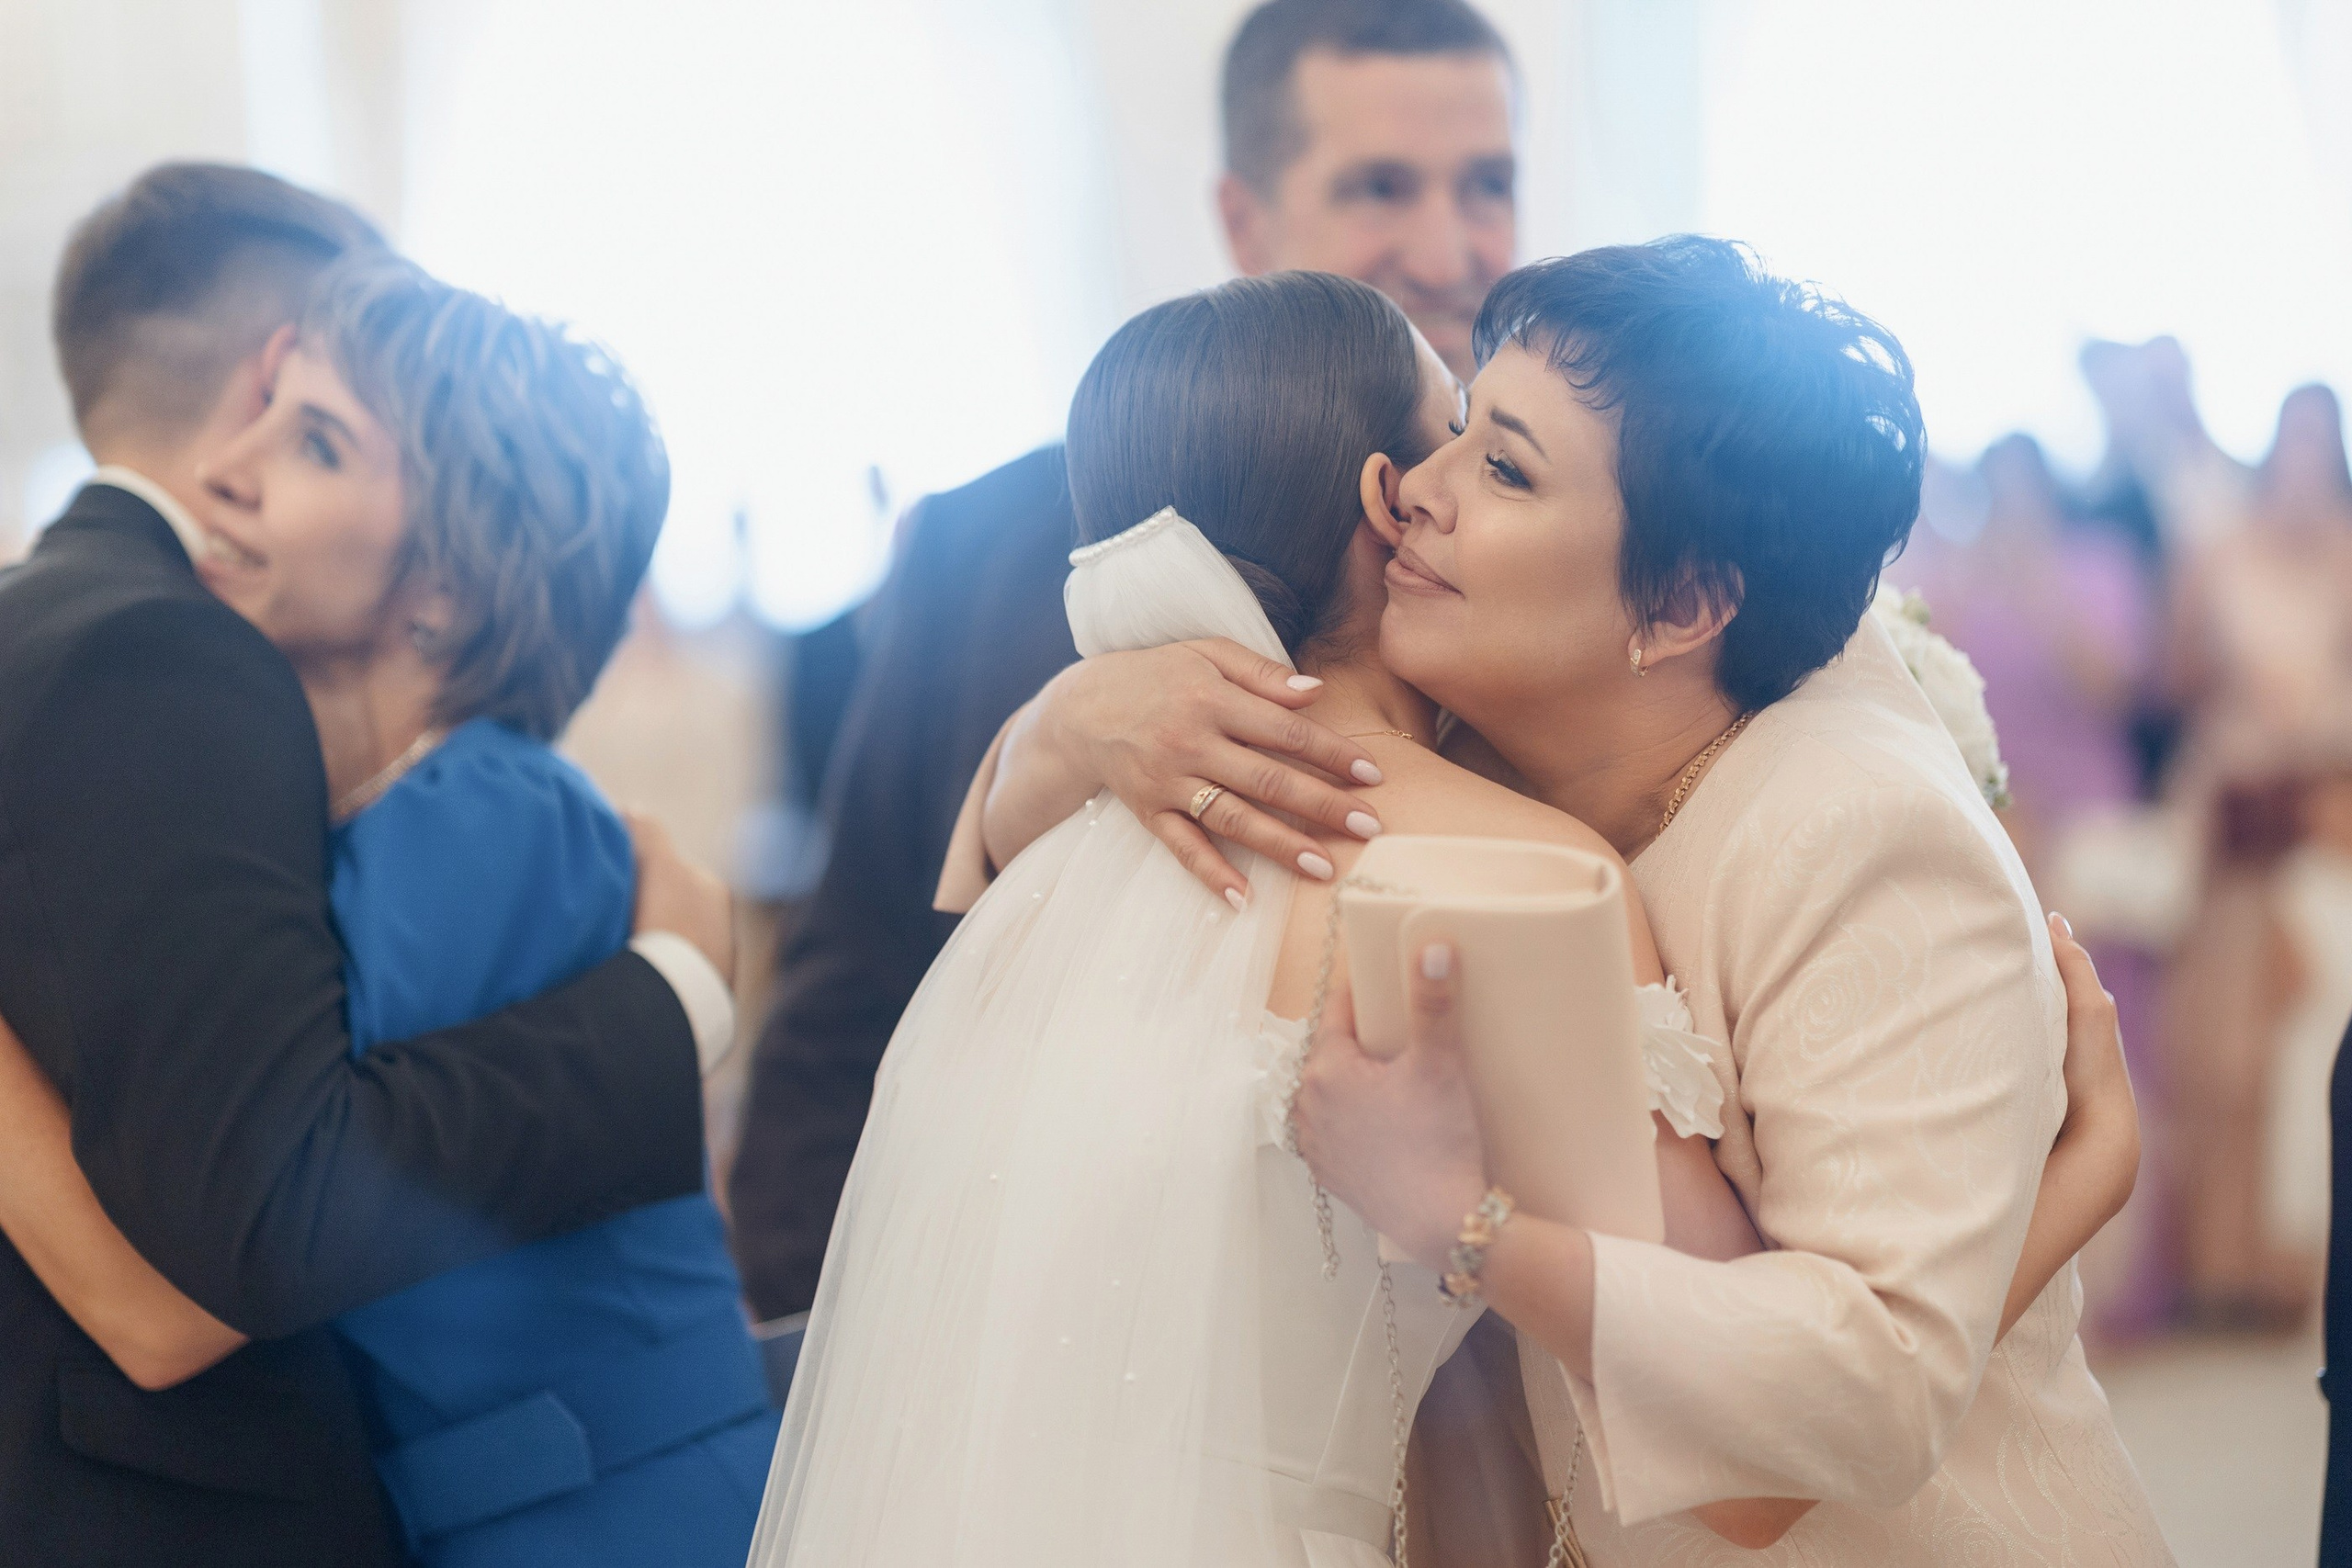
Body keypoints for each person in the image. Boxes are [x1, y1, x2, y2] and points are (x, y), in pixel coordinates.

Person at [752, 268, 2135, 1566]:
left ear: (1685, 600)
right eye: (1451, 433)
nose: (1420, 494)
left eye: (1499, 459)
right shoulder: (1477, 830)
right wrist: (1065, 719)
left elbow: (1784, 1437)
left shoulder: (1841, 820)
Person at [727, 0, 1522, 1320]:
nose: (1449, 248)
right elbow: (848, 985)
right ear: (1243, 218)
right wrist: (826, 1359)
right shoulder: (985, 546)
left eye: (1487, 185)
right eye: (1381, 186)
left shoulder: (1575, 542)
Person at [0, 165, 735, 1568]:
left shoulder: (501, 813)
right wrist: (683, 988)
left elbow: (236, 1246)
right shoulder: (327, 795)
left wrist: (682, 987)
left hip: (612, 1506)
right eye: (268, 411)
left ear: (445, 580)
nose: (237, 461)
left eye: (317, 439)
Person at [2165, 383, 2352, 1325]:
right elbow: (2171, 678)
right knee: (2221, 1042)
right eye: (2293, 440)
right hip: (2233, 813)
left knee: (2304, 1030)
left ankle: (2298, 1267)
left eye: (2322, 442)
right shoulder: (2222, 550)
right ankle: (2219, 1268)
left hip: (2321, 815)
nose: (2304, 459)